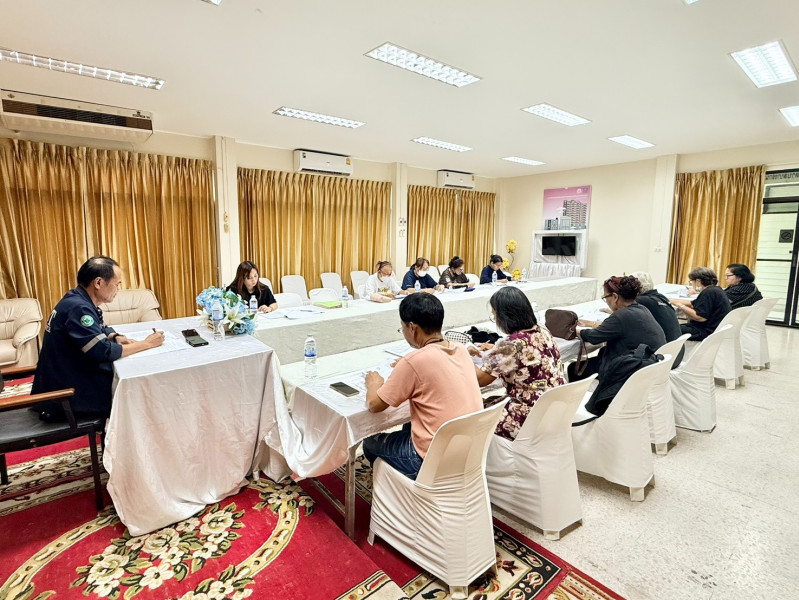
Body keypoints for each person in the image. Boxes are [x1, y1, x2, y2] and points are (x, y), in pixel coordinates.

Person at [363, 293, 483, 479]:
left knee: (369, 443)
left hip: (430, 460)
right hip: (469, 450)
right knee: (409, 424)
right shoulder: (460, 349)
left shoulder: (414, 361)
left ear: (412, 328)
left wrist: (374, 384)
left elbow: (374, 405)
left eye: (402, 327)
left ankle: (397, 485)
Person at [32, 256, 164, 421]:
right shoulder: (79, 308)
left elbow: (98, 326)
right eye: (117, 284)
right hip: (67, 396)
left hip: (63, 378)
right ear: (99, 283)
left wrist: (115, 336)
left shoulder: (76, 298)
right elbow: (103, 351)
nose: (117, 290)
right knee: (138, 392)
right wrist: (147, 343)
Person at [472, 286, 565, 441]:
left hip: (527, 417)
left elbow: (480, 380)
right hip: (553, 408)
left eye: (495, 315)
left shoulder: (510, 345)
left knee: (473, 418)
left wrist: (462, 355)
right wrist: (495, 349)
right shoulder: (542, 329)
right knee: (490, 402)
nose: (495, 320)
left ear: (505, 316)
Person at [573, 275, 666, 381]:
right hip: (649, 366)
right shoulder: (643, 309)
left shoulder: (620, 316)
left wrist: (576, 331)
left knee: (574, 369)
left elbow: (593, 337)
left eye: (605, 298)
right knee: (602, 353)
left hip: (630, 370)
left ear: (615, 297)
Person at [629, 271, 685, 366]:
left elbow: (622, 313)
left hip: (663, 359)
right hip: (677, 354)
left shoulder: (641, 301)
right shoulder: (662, 297)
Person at [670, 267, 731, 341]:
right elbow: (693, 303)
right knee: (675, 327)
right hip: (715, 328)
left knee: (669, 329)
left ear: (698, 281)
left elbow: (700, 318)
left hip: (706, 331)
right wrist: (671, 300)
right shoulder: (716, 289)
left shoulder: (708, 293)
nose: (692, 284)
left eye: (692, 281)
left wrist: (680, 306)